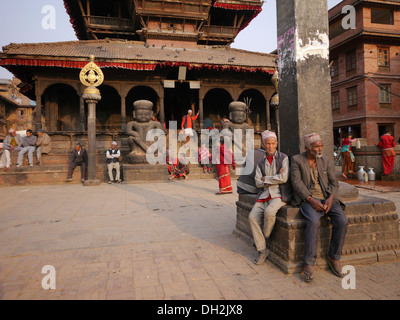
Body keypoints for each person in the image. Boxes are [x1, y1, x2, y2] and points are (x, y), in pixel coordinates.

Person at [290, 133, 348, 282]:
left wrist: (330, 198)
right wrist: (310, 200)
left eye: (321, 145)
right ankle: (309, 263)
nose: (320, 148)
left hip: (326, 198)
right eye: (316, 146)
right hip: (308, 199)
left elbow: (334, 183)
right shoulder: (297, 160)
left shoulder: (326, 160)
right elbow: (296, 183)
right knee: (313, 222)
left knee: (342, 221)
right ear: (308, 148)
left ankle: (334, 257)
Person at [248, 131, 292, 265]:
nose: (270, 146)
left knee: (269, 212)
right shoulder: (261, 161)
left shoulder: (283, 158)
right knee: (252, 217)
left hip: (279, 194)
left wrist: (266, 179)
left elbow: (284, 178)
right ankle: (263, 249)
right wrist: (275, 178)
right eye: (268, 144)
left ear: (276, 144)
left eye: (273, 144)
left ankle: (263, 239)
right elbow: (257, 182)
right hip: (264, 194)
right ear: (263, 145)